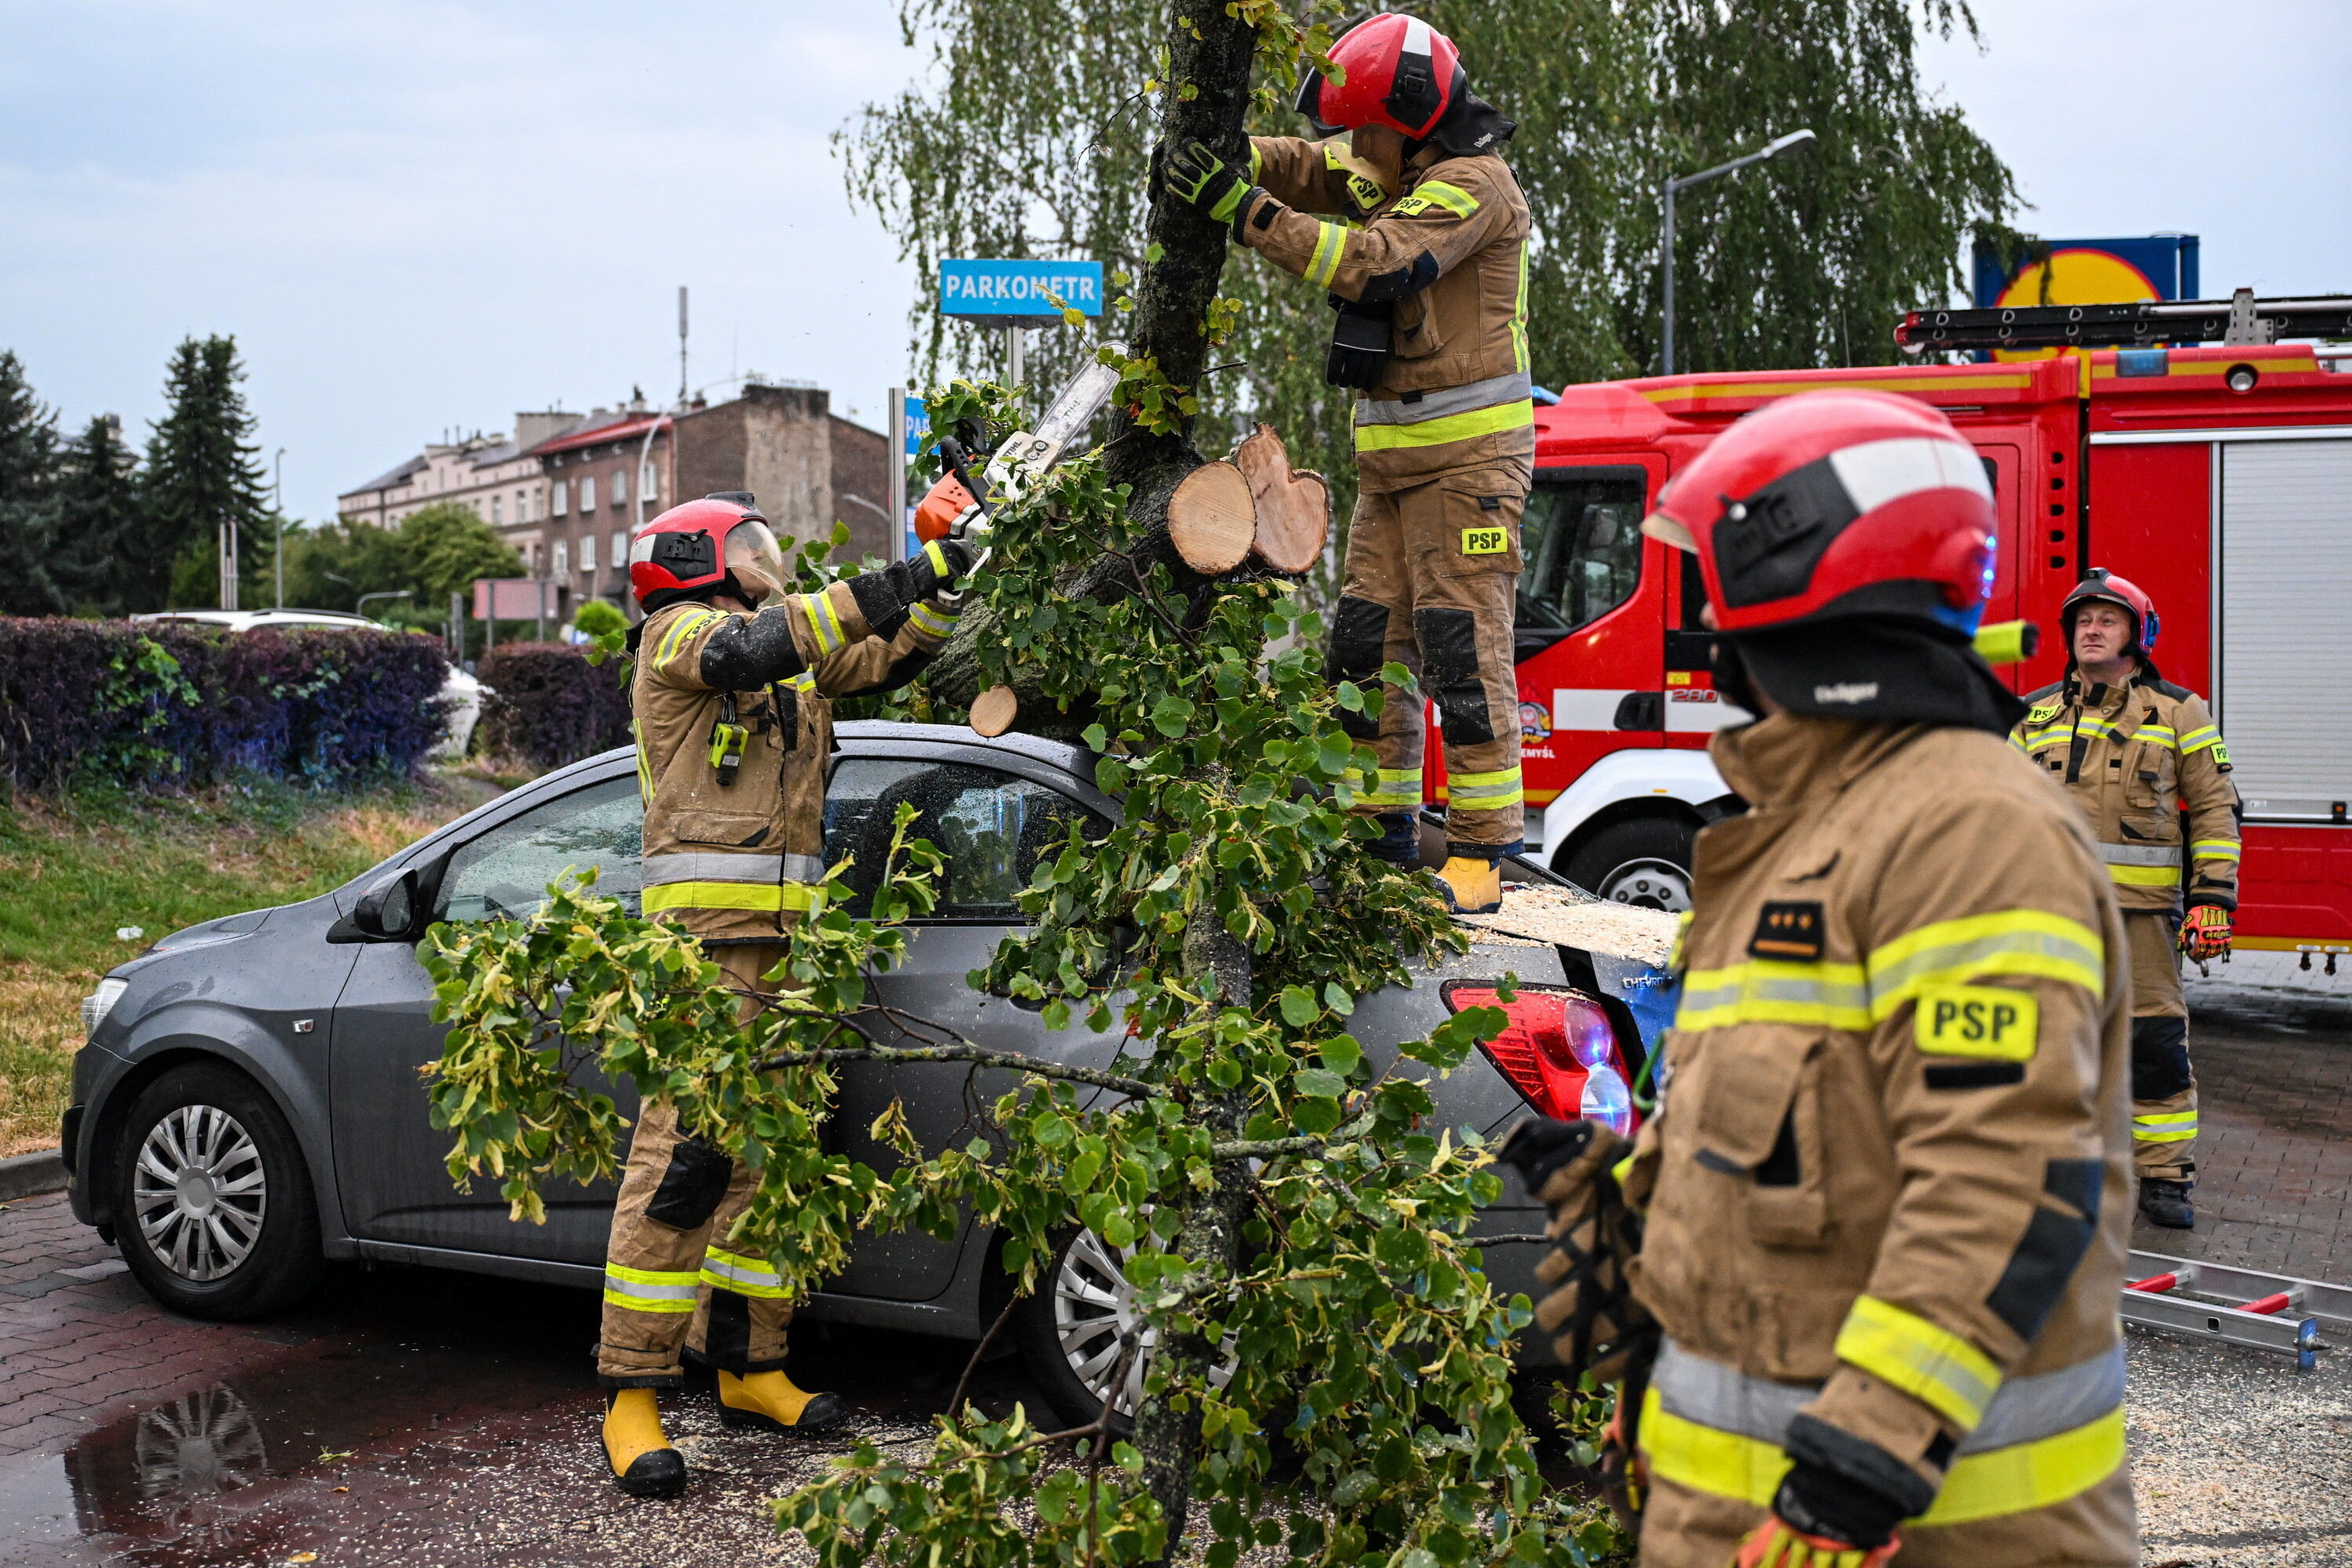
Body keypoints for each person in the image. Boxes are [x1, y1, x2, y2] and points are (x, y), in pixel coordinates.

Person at [1505, 391, 2136, 1567]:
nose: (1706, 626)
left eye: (1716, 584)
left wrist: (1856, 1476)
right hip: (1723, 1520)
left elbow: (2008, 1186)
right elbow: (1803, 1139)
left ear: (1793, 583)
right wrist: (1642, 1224)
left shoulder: (1970, 832)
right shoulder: (1796, 834)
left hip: (1917, 1535)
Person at [597, 492, 968, 1497]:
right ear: (696, 561)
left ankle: (750, 1368)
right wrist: (903, 569)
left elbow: (888, 656)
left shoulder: (783, 652)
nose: (767, 562)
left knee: (771, 1156)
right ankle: (631, 1393)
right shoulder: (680, 638)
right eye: (750, 549)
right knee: (682, 1166)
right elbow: (756, 646)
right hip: (704, 953)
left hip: (791, 949)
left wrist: (944, 573)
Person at [1156, 13, 1531, 912]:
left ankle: (1481, 855)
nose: (1357, 148)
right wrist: (1225, 154)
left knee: (1460, 648)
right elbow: (1310, 164)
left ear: (1412, 120)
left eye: (1369, 129)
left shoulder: (1470, 187)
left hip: (1466, 469)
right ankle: (1378, 838)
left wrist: (1243, 212)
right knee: (1366, 649)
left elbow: (1371, 264)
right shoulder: (1392, 164)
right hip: (1392, 473)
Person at [2012, 570, 2238, 1229]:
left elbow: (2217, 810)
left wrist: (2213, 899)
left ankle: (2165, 1177)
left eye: (2107, 620)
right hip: (2051, 915)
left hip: (2139, 916)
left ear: (2138, 635)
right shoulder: (2033, 715)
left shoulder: (2178, 712)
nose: (2091, 629)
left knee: (2155, 1045)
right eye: (2082, 620)